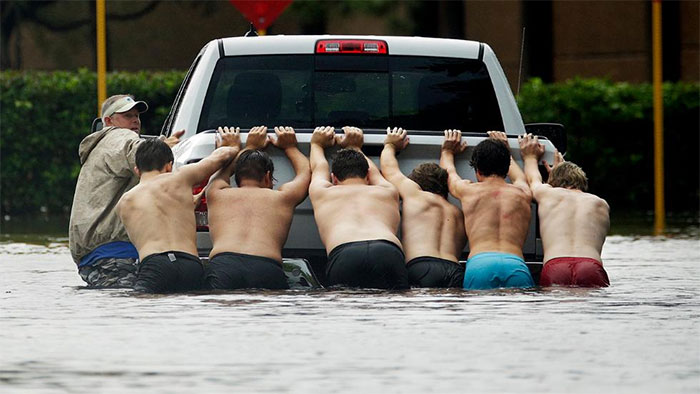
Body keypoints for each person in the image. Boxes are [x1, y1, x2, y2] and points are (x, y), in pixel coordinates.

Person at [69, 94, 184, 288]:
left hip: (94, 258)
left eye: (137, 116)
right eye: (127, 115)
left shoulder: (101, 147)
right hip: (116, 255)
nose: (135, 121)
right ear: (108, 121)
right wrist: (163, 149)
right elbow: (137, 152)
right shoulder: (117, 135)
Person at [116, 127, 240, 293]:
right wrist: (232, 145)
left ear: (137, 170)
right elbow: (221, 156)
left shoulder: (124, 203)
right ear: (169, 166)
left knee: (144, 313)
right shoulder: (181, 177)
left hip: (155, 265)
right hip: (190, 264)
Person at [204, 126, 311, 290]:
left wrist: (249, 147)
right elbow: (305, 172)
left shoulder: (216, 192)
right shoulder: (283, 198)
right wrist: (290, 147)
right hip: (265, 267)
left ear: (237, 178)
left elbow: (222, 171)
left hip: (224, 265)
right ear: (268, 177)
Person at [309, 126, 409, 290]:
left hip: (346, 253)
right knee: (394, 311)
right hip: (387, 251)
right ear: (368, 176)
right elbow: (374, 172)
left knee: (347, 311)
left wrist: (316, 145)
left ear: (334, 178)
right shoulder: (387, 191)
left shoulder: (322, 192)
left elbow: (319, 166)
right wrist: (355, 147)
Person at [440, 129, 535, 290]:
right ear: (506, 169)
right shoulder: (523, 193)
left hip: (480, 265)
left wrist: (447, 151)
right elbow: (519, 177)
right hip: (515, 265)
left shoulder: (468, 190)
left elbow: (449, 173)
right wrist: (505, 150)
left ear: (477, 170)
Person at [519, 134, 610, 287]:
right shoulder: (600, 204)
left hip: (557, 266)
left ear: (552, 182)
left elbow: (533, 179)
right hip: (590, 267)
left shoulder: (548, 194)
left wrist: (530, 157)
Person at [380, 127, 467, 288]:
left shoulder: (416, 196)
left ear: (416, 183)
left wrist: (390, 145)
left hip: (422, 266)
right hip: (455, 269)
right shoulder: (459, 213)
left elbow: (390, 170)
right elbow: (449, 175)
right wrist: (447, 152)